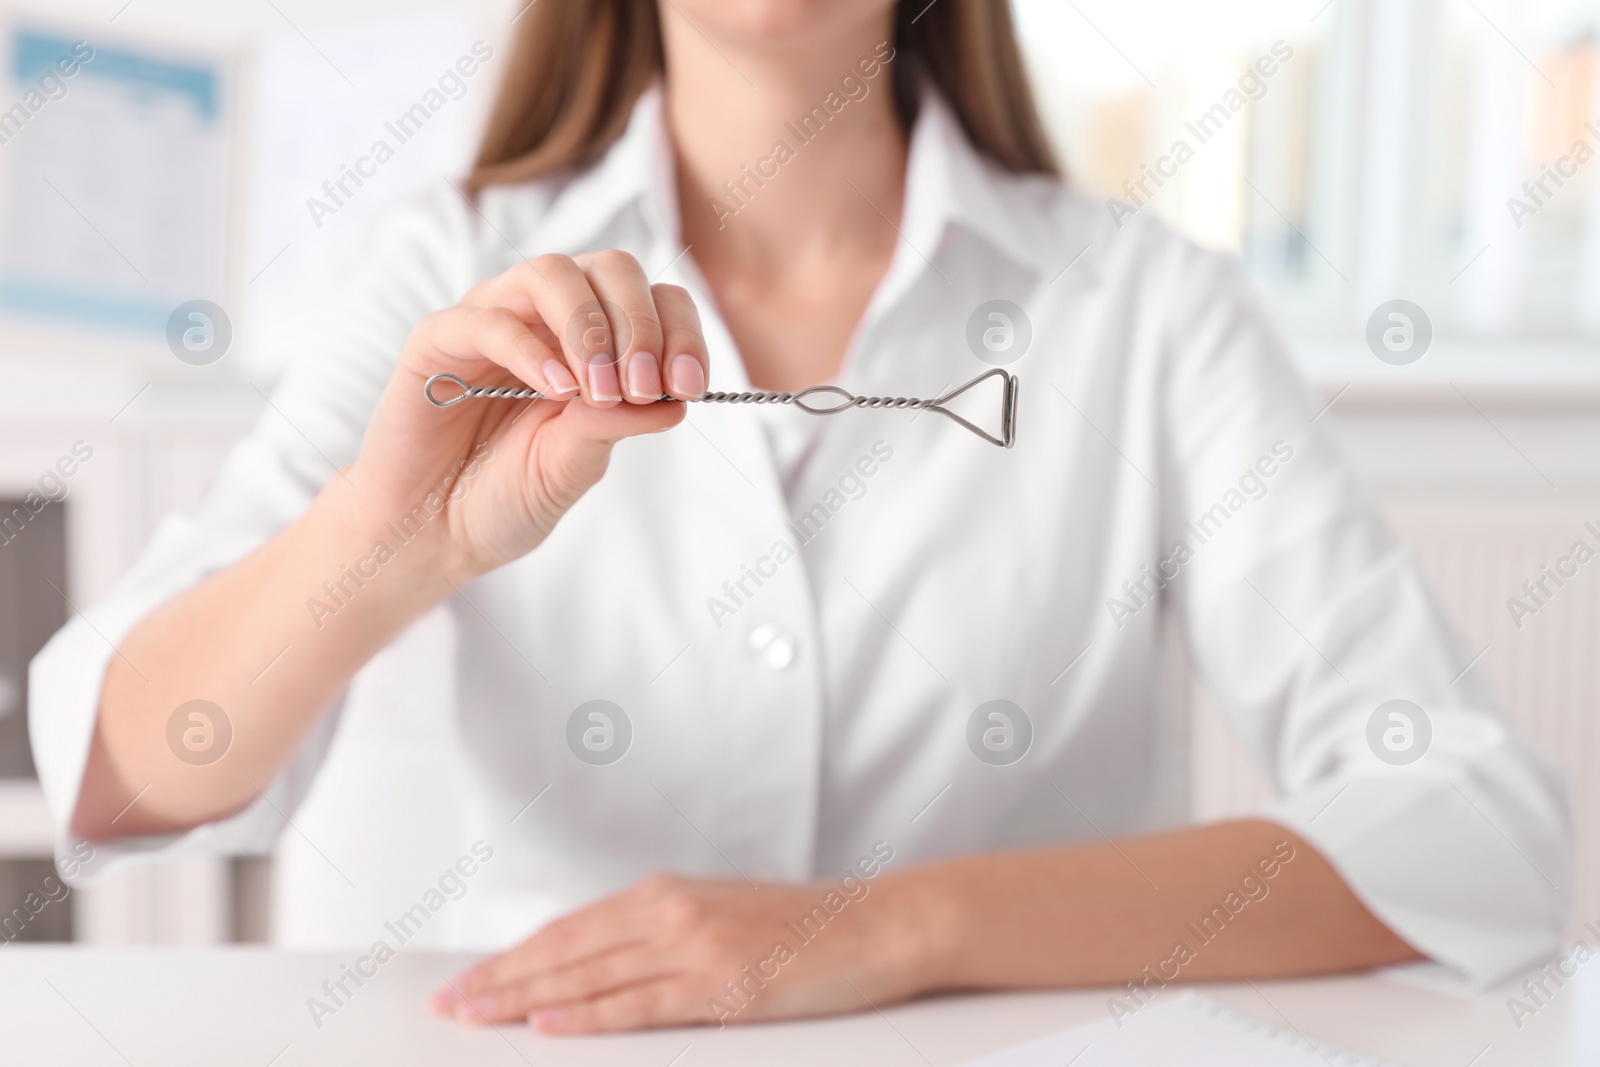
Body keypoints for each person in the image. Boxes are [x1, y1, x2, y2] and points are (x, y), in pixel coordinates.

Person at [32, 0, 1568, 1036]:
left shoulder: (1148, 310)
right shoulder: (444, 269)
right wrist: (385, 550)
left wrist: (892, 929)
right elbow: (120, 779)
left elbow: (1479, 830)